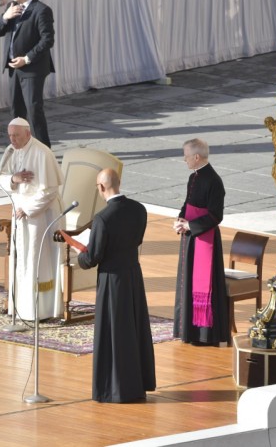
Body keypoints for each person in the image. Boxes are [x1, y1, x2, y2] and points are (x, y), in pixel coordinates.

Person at [78, 168, 156, 403]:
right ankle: (137, 385)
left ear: (101, 187)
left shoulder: (103, 218)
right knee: (133, 328)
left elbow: (92, 258)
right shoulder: (139, 209)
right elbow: (137, 240)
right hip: (133, 276)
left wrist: (80, 254)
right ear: (118, 183)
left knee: (114, 332)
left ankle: (113, 389)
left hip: (111, 280)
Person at [0, 118, 64, 321]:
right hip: (19, 215)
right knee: (21, 261)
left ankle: (41, 311)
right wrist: (13, 179)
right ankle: (21, 308)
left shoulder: (43, 153)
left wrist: (28, 209)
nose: (12, 140)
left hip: (40, 216)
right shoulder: (11, 151)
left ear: (28, 134)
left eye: (16, 136)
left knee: (37, 260)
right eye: (10, 136)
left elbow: (50, 190)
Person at [172, 138, 229, 346]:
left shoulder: (214, 181)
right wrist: (180, 220)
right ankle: (188, 331)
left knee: (204, 285)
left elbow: (215, 215)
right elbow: (188, 203)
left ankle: (205, 335)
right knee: (187, 282)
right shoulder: (193, 177)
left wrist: (190, 226)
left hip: (205, 239)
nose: (184, 159)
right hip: (190, 239)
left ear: (196, 157)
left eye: (186, 156)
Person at [0, 0, 55, 148]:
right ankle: (21, 148)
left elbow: (47, 40)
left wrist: (26, 59)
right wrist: (5, 17)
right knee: (16, 111)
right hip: (14, 68)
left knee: (34, 110)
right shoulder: (12, 7)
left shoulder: (41, 10)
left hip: (32, 69)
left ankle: (43, 150)